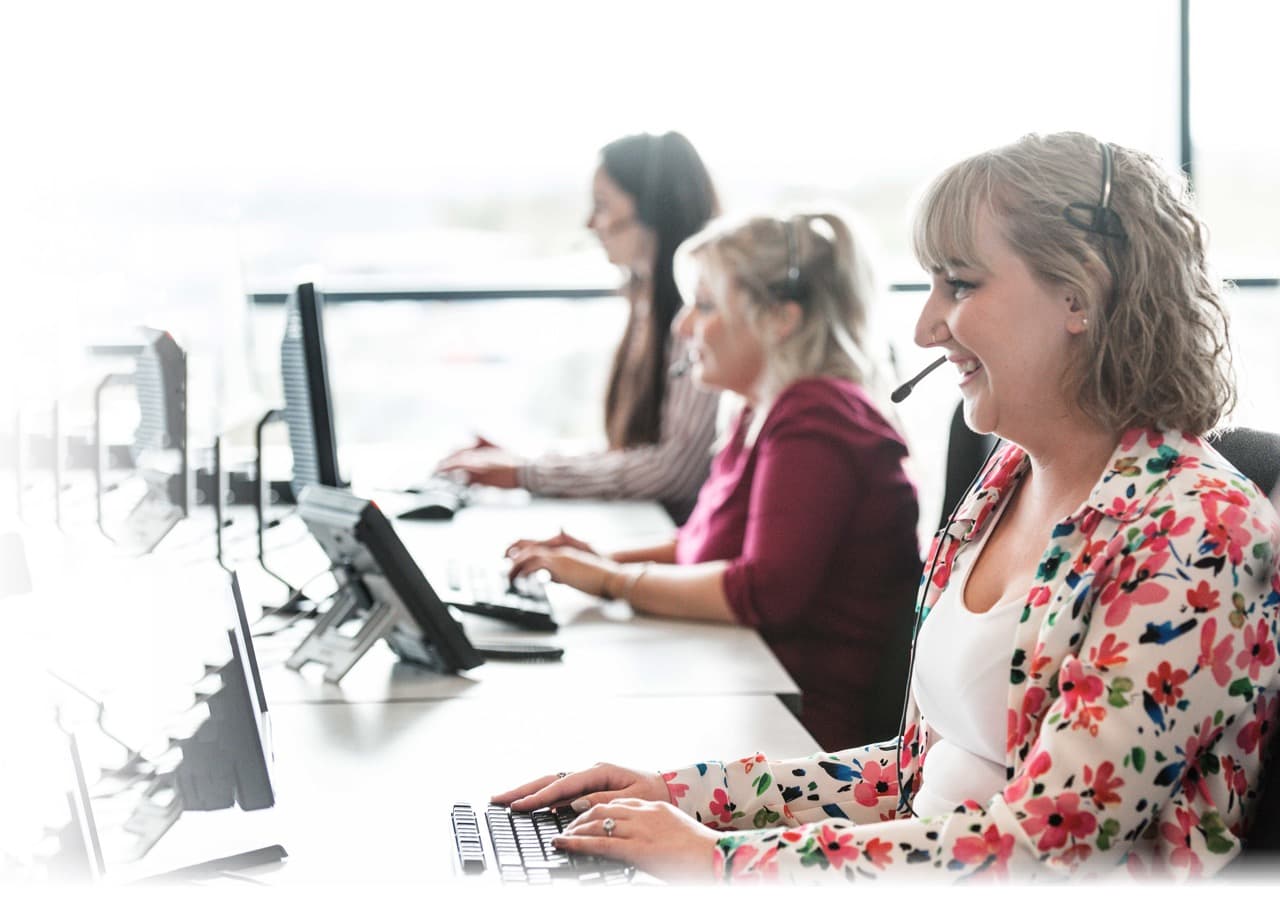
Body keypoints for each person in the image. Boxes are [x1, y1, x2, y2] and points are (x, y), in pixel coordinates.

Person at [492, 132, 1280, 882]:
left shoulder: (1196, 530)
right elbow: (914, 773)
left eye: (961, 284)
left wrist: (723, 862)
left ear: (1080, 294)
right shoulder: (1007, 478)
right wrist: (679, 795)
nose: (924, 325)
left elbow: (1050, 850)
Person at [505, 210, 922, 751]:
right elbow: (707, 545)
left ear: (780, 319)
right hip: (751, 691)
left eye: (705, 306)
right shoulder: (762, 409)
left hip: (801, 733)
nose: (683, 327)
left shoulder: (817, 419)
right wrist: (600, 560)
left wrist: (609, 580)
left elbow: (760, 592)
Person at [438, 131, 721, 524]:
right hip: (649, 528)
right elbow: (631, 454)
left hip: (675, 543)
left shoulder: (696, 322)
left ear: (653, 211)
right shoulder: (646, 305)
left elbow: (673, 469)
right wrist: (521, 462)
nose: (591, 222)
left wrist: (525, 473)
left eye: (603, 205)